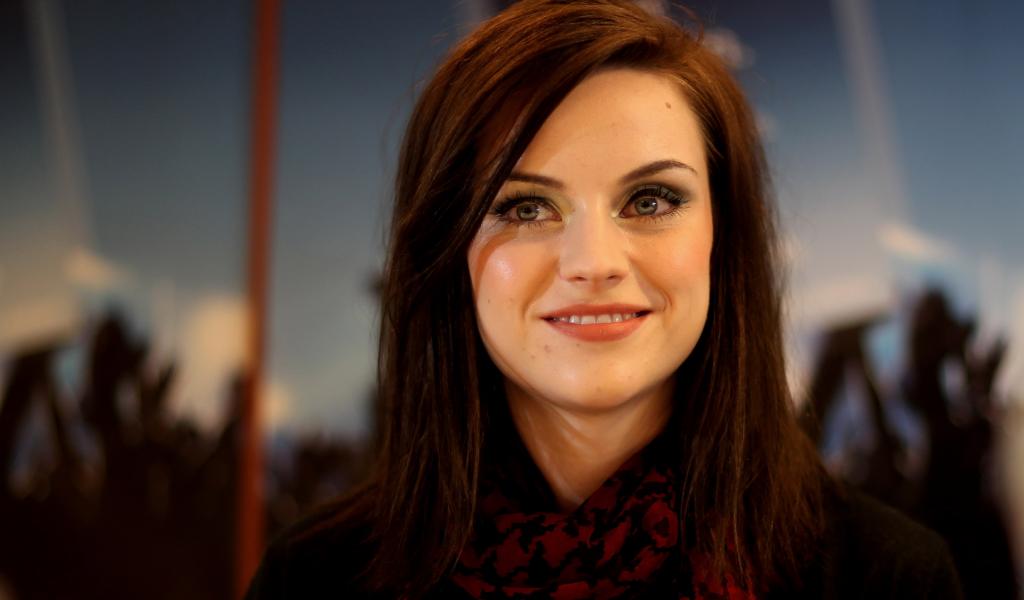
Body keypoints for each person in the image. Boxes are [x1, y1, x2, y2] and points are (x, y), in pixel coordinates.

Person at [245, 1, 962, 597]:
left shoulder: (886, 577)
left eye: (650, 200)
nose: (593, 263)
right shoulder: (313, 580)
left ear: (723, 235)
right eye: (526, 208)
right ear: (447, 249)